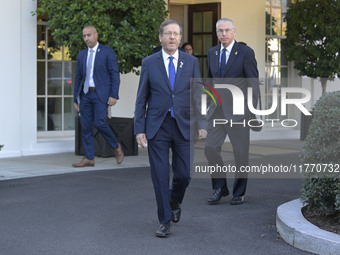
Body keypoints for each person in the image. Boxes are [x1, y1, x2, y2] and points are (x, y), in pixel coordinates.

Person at [134, 20, 207, 237]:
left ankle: (174, 201)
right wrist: (139, 129)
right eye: (168, 34)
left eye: (176, 34)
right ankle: (164, 220)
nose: (172, 37)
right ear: (160, 38)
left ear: (180, 37)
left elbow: (198, 95)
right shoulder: (149, 62)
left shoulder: (191, 61)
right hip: (157, 126)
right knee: (160, 175)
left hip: (184, 125)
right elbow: (141, 98)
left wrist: (202, 124)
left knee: (184, 175)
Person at [204, 18, 259, 205]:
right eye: (220, 31)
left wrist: (252, 111)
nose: (224, 34)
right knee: (210, 147)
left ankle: (239, 192)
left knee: (240, 152)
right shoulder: (212, 53)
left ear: (234, 31)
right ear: (216, 32)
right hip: (217, 112)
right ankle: (219, 187)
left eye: (227, 30)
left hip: (239, 111)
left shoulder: (245, 53)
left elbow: (253, 83)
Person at [72, 25, 124, 167]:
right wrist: (75, 97)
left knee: (100, 122)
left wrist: (114, 95)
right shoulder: (82, 54)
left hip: (101, 94)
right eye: (84, 36)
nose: (86, 38)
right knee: (86, 126)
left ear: (96, 35)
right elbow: (78, 77)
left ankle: (116, 147)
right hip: (86, 94)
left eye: (89, 35)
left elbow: (115, 74)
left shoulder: (107, 52)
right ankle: (89, 157)